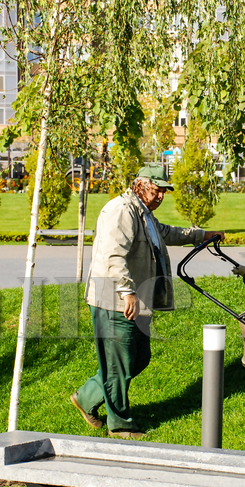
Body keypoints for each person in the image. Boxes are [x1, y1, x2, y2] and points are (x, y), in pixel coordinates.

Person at [71, 163, 224, 438]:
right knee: (120, 365)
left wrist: (202, 235)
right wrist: (127, 292)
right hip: (115, 300)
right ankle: (120, 425)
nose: (161, 196)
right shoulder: (121, 210)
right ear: (140, 185)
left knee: (138, 358)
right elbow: (113, 256)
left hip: (135, 300)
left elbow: (167, 233)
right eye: (157, 190)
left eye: (164, 191)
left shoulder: (143, 213)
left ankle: (86, 397)